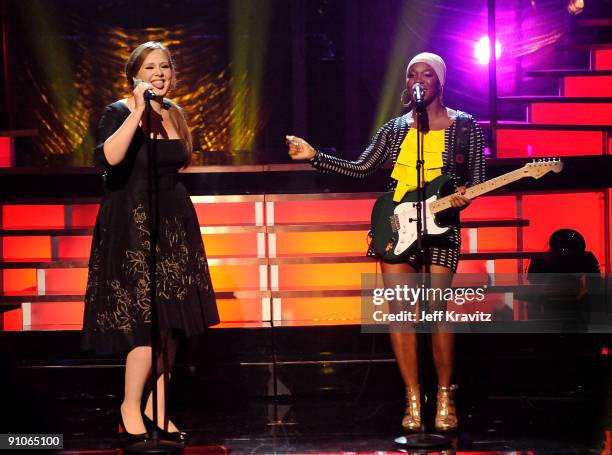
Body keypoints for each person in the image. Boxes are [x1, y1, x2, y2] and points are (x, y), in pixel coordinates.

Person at [287, 52, 485, 432]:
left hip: (441, 225)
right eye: (413, 73)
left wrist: (464, 195)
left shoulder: (465, 126)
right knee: (402, 314)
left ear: (440, 81)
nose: (420, 79)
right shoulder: (395, 129)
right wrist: (315, 156)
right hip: (396, 225)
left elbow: (474, 178)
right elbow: (362, 168)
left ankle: (445, 395)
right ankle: (412, 399)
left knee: (436, 310)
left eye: (428, 74)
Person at [81, 41, 219, 443]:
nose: (159, 73)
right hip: (131, 224)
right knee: (144, 321)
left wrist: (157, 111)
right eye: (150, 67)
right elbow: (109, 157)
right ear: (134, 75)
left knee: (171, 322)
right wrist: (139, 109)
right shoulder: (119, 111)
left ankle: (156, 407)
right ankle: (128, 407)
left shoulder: (175, 113)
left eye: (165, 67)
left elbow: (181, 159)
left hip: (173, 223)